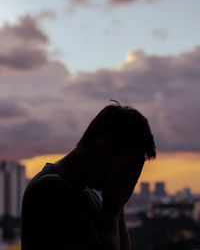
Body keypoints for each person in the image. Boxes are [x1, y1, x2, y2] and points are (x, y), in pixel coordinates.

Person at [21, 101, 156, 250]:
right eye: (124, 168)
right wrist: (113, 210)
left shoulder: (83, 190)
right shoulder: (52, 190)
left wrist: (118, 205)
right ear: (101, 149)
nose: (126, 177)